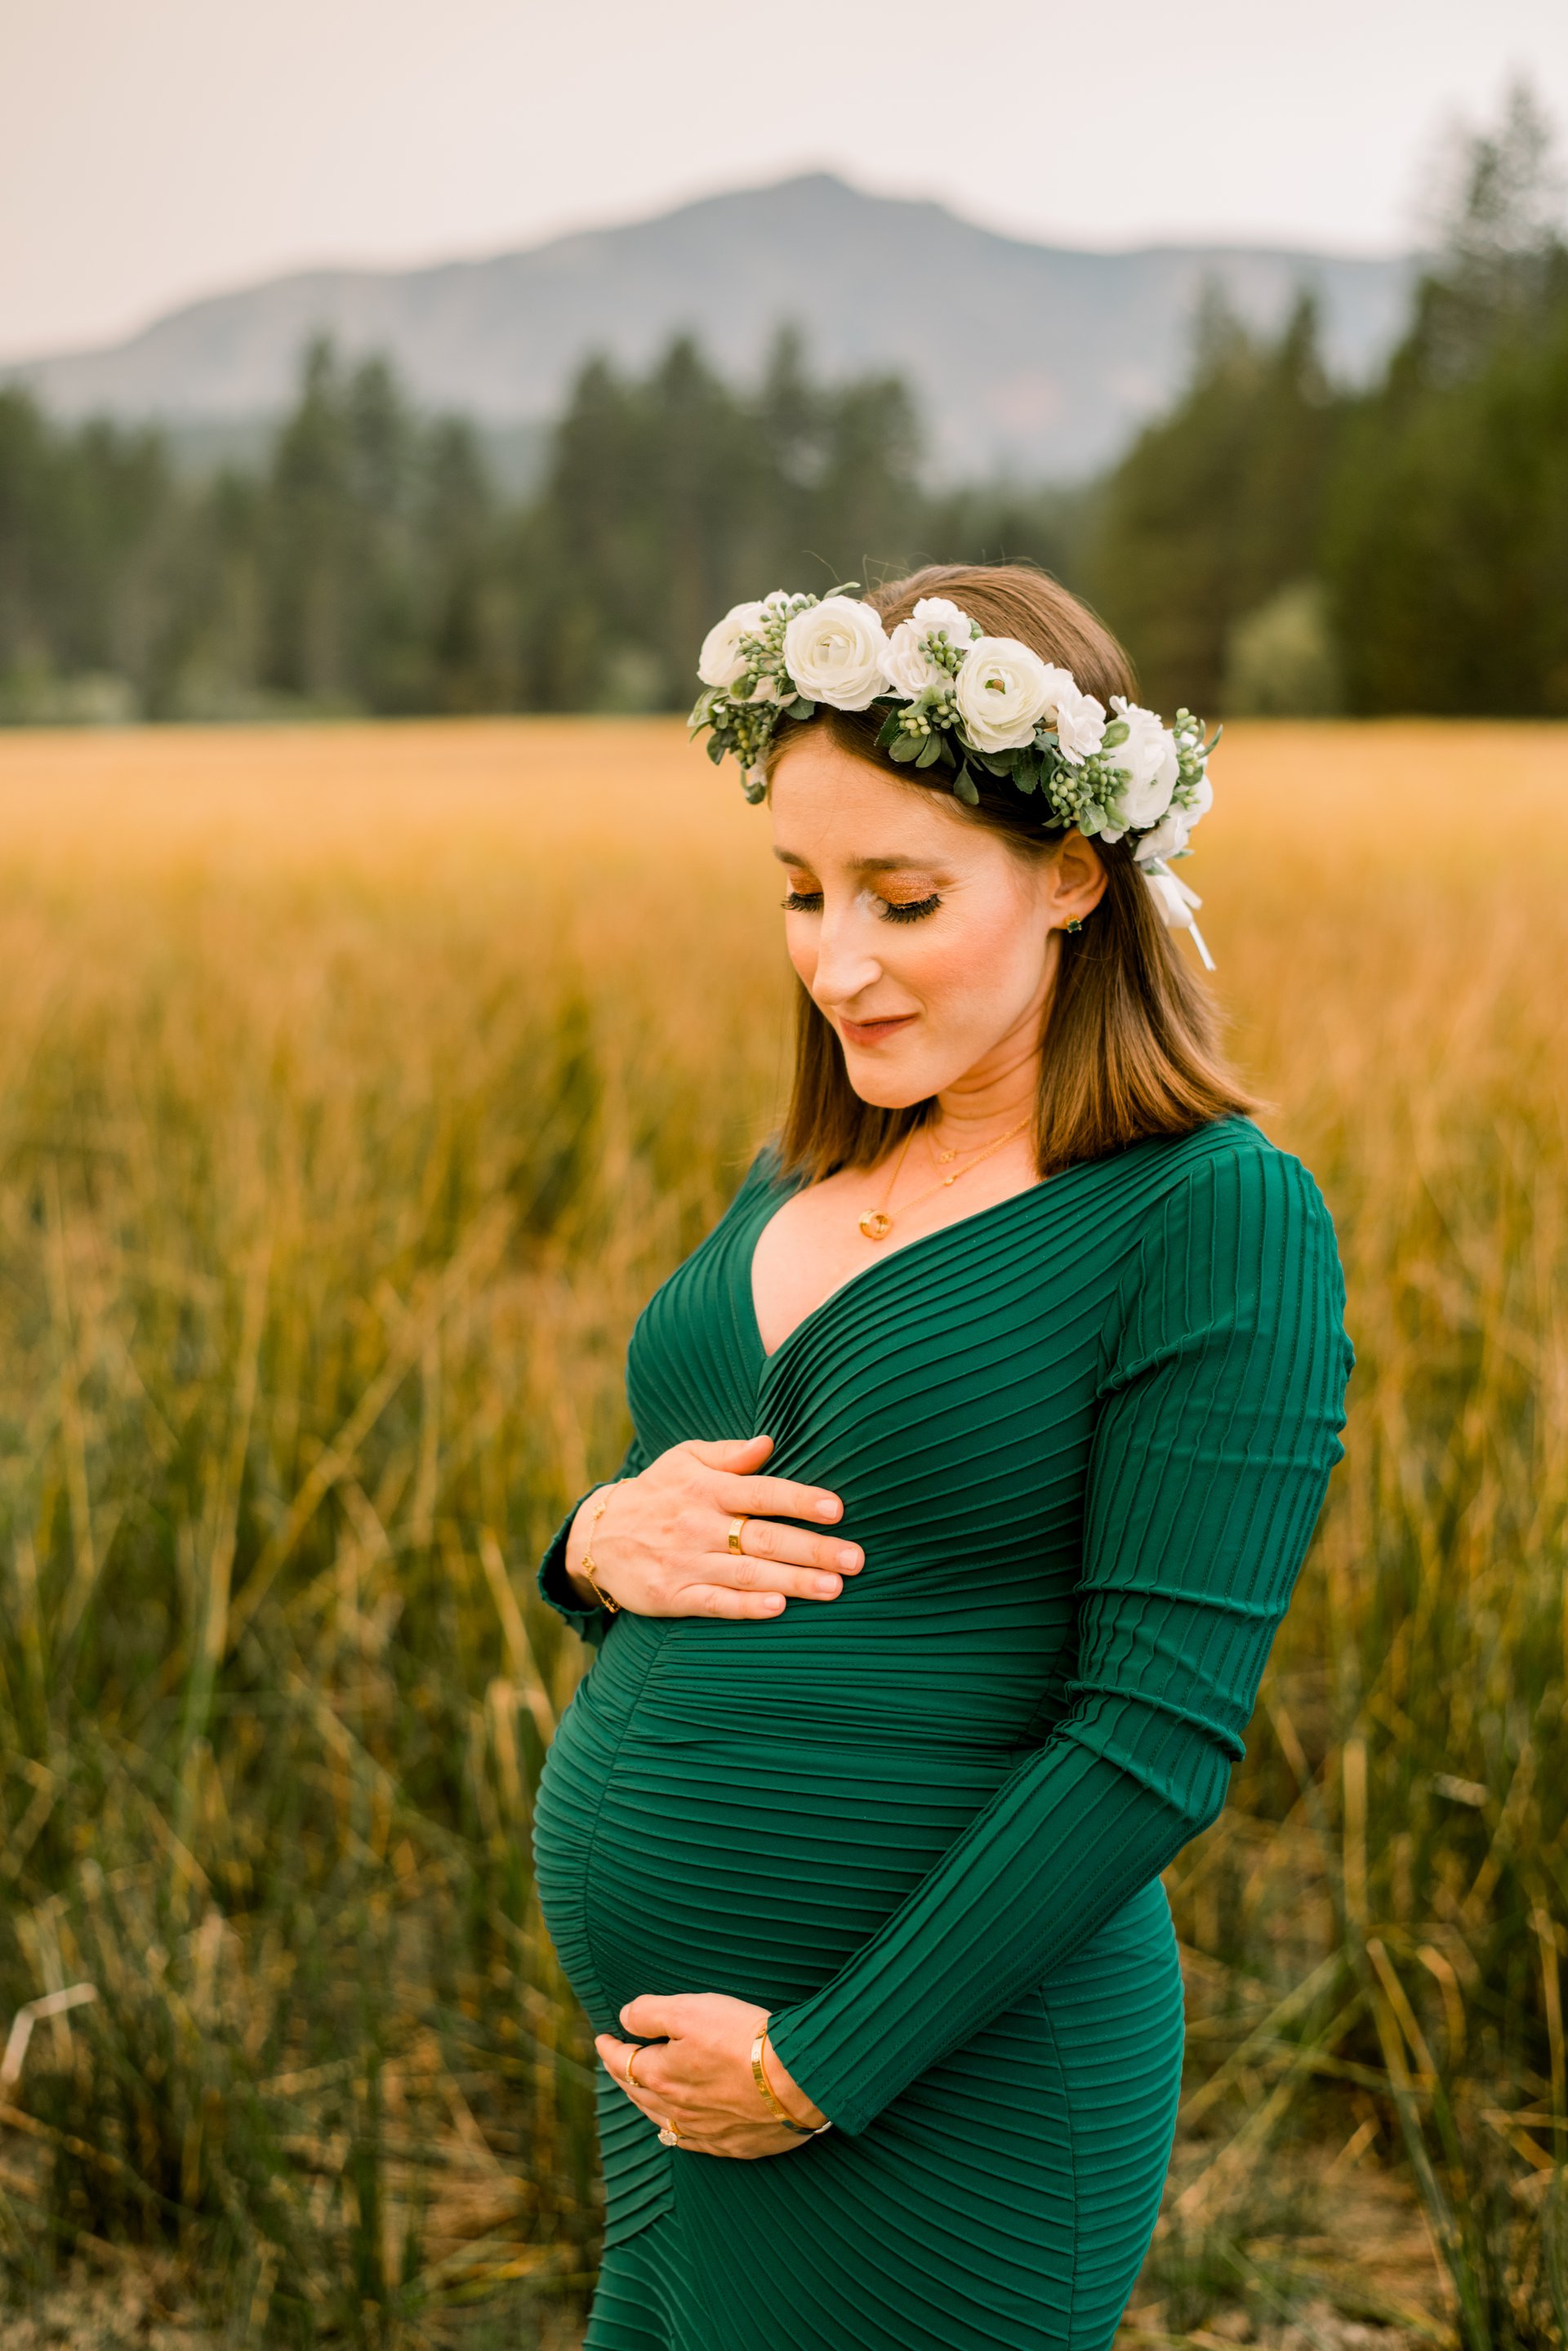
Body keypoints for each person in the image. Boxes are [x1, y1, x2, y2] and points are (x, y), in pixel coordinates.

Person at [532, 564, 1353, 2350]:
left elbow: (1155, 1732)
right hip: (682, 2083)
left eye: (904, 898)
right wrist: (591, 1544)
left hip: (928, 2081)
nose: (837, 959)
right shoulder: (798, 1177)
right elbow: (715, 1547)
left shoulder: (1214, 1217)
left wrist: (822, 2064)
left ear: (1074, 873)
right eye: (803, 892)